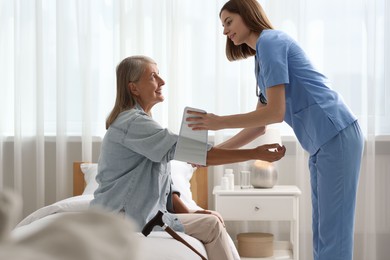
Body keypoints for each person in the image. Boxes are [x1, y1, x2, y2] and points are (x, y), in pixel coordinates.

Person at [187, 1, 364, 260]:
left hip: (336, 133)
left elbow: (274, 113)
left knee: (333, 233)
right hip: (322, 142)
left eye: (229, 21)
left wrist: (218, 121)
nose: (225, 31)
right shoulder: (261, 56)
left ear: (247, 15)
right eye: (222, 25)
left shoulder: (270, 42)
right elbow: (259, 126)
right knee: (323, 232)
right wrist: (211, 153)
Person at [90, 55, 286, 260]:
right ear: (134, 88)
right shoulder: (133, 123)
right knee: (212, 226)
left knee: (211, 222)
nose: (162, 82)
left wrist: (191, 213)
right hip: (124, 220)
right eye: (153, 77)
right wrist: (255, 153)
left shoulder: (138, 123)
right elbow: (202, 155)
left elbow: (167, 186)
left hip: (144, 217)